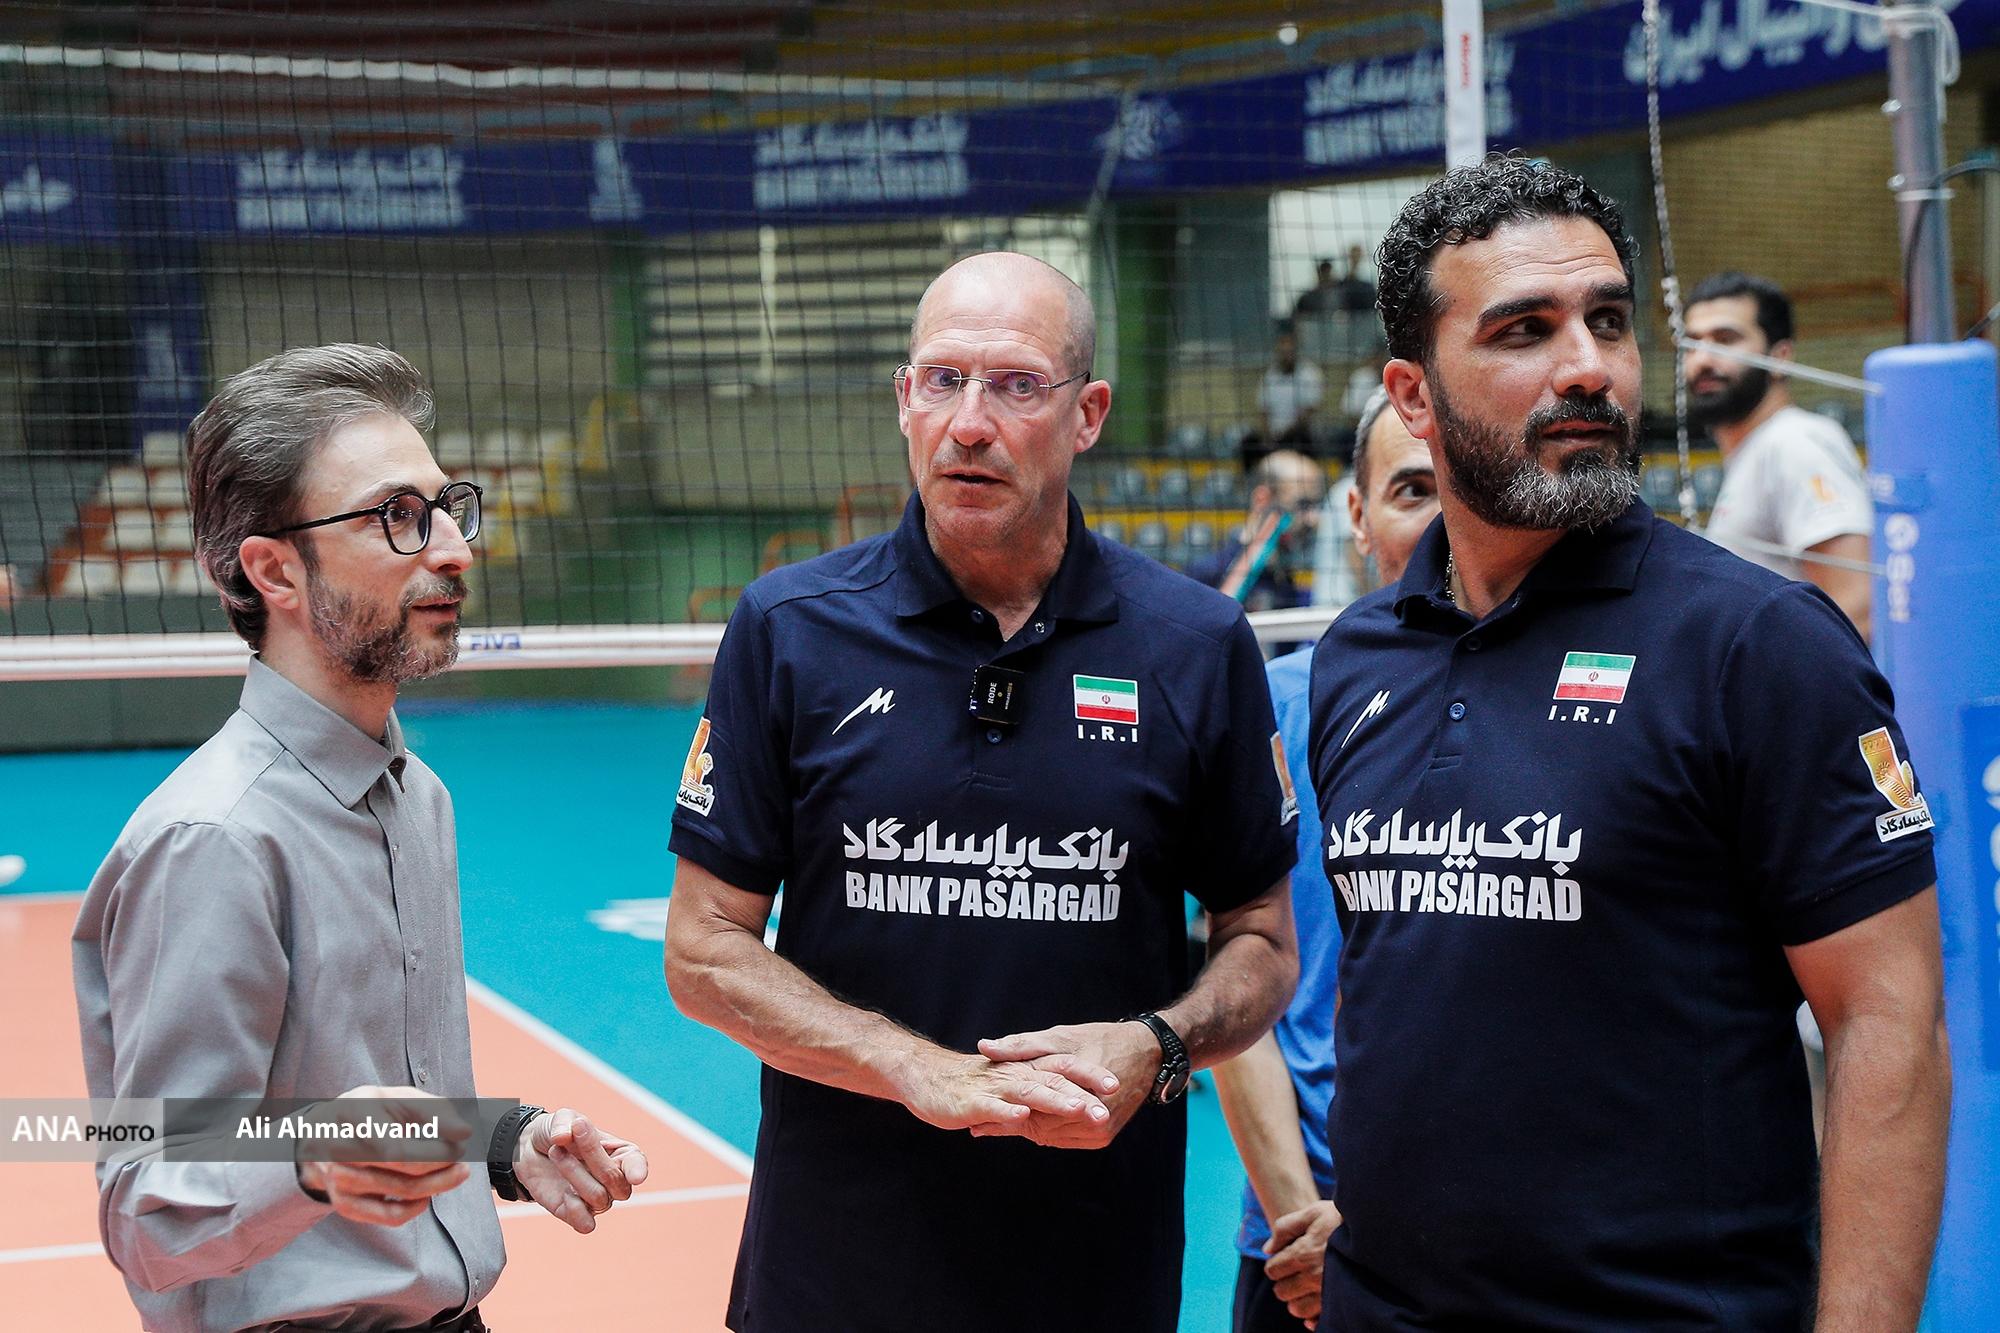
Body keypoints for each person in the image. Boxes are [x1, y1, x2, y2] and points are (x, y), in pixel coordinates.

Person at [1310, 156, 1948, 1331]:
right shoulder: (1357, 658)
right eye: (1524, 330)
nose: (1586, 368)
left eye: (1606, 320)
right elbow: (1405, 989)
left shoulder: (1757, 647)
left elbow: (1887, 1025)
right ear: (1412, 394)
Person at [663, 251, 1300, 1333]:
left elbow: (1263, 941)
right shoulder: (789, 629)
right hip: (833, 1276)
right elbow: (701, 949)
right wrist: (915, 1067)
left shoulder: (1195, 645)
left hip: (1091, 1277)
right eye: (941, 380)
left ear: (1087, 414)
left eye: (1015, 385)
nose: (968, 423)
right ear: (903, 399)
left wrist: (1157, 1044)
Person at [73, 344, 649, 1333]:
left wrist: (496, 1141)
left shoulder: (418, 797)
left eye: (446, 507)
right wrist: (309, 1160)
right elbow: (146, 1209)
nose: (454, 549)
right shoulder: (214, 840)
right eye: (396, 516)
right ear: (274, 570)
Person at [1217, 384, 1438, 1333]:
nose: (1442, 518)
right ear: (1357, 513)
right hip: (1293, 1235)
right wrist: (1303, 1228)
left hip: (1488, 1235)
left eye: (1461, 484)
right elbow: (1239, 977)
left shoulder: (1569, 708)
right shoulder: (1276, 701)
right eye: (1412, 489)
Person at [1685, 271, 1873, 637]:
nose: (1702, 359)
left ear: (1780, 357)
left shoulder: (1794, 442)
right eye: (1691, 344)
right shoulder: (1756, 450)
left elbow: (1857, 608)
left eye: (1725, 340)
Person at [1191, 447, 1327, 612]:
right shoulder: (1208, 573)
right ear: (1262, 500)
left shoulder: (1283, 578)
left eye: (1316, 505)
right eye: (1303, 504)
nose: (1313, 519)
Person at [1255, 325, 1324, 448]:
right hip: (1273, 434)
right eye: (1283, 350)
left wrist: (1284, 434)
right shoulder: (1269, 376)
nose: (1286, 354)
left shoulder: (1310, 374)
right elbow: (1263, 411)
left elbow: (1308, 413)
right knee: (1249, 442)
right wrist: (1267, 434)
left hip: (1300, 433)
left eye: (1289, 350)